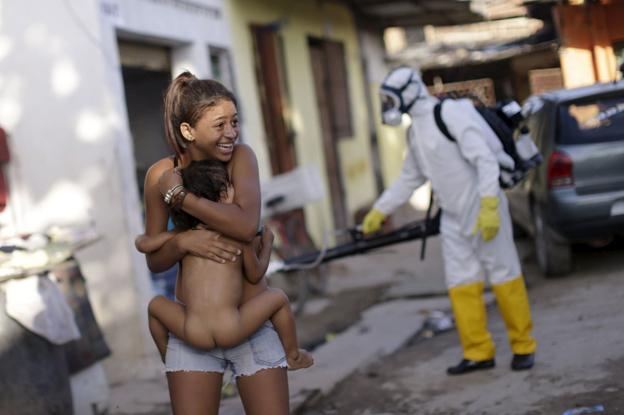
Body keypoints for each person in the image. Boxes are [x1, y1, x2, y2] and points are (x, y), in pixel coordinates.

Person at [362, 66, 537, 375]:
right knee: (460, 282)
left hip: (483, 208)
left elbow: (484, 159)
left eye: (391, 99)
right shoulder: (415, 130)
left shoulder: (451, 114)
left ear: (410, 92)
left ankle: (523, 346)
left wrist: (488, 205)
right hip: (453, 217)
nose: (388, 107)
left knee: (504, 273)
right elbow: (410, 177)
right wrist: (380, 210)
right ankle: (478, 351)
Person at [138, 71, 294, 414]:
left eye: (235, 122)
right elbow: (155, 260)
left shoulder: (241, 158)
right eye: (220, 125)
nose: (231, 133)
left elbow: (244, 225)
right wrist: (183, 243)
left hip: (249, 327)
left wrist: (181, 198)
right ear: (188, 131)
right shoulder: (158, 175)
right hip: (193, 332)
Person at [136, 158, 313, 371]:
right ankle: (293, 355)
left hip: (194, 331)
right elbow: (256, 274)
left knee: (155, 305)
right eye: (230, 186)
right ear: (222, 196)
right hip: (231, 328)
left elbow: (143, 243)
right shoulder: (237, 235)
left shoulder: (185, 234)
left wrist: (172, 241)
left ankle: (169, 360)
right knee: (279, 298)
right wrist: (267, 245)